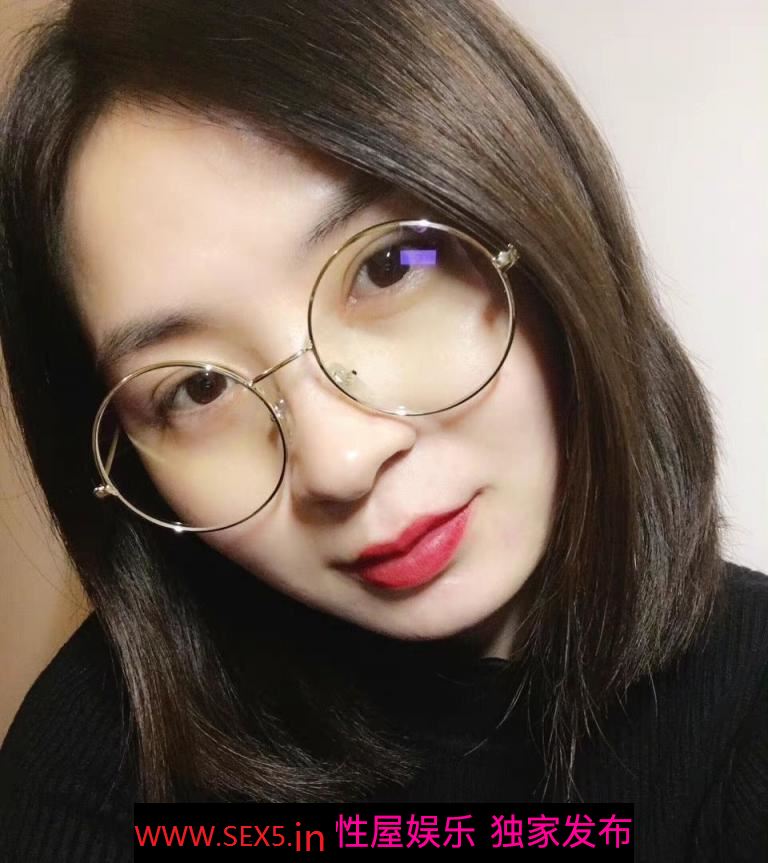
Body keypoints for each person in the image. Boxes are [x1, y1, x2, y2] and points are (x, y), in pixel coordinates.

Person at [0, 1, 765, 861]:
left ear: (542, 217)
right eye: (198, 387)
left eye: (389, 265)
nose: (341, 460)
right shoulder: (99, 764)